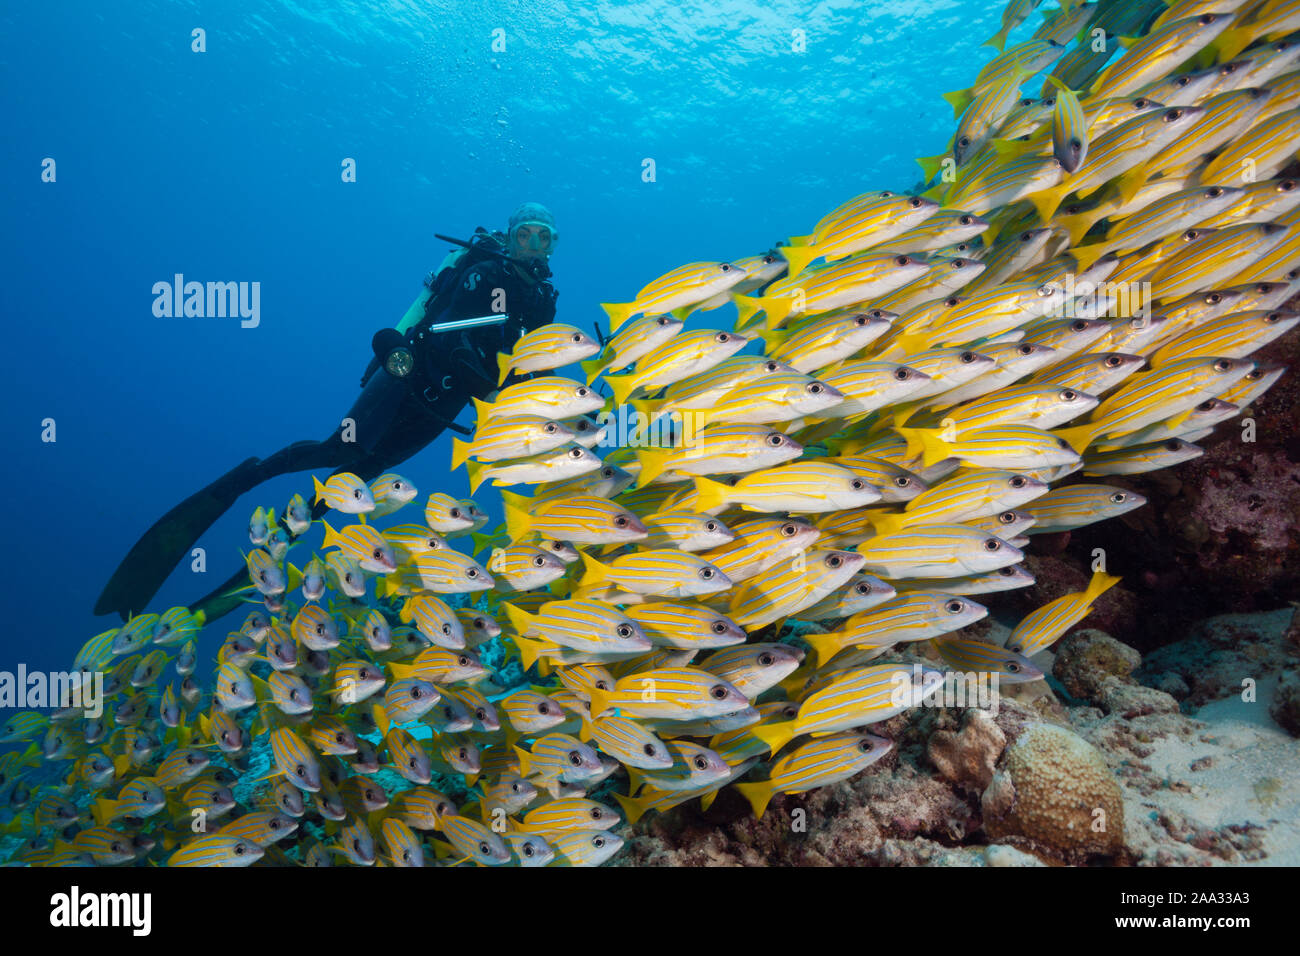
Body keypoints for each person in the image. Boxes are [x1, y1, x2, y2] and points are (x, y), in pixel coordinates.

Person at [95, 203, 560, 622]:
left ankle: (280, 539)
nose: (534, 245)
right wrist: (492, 384)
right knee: (339, 448)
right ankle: (246, 480)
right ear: (511, 236)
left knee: (363, 474)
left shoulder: (543, 299)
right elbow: (453, 334)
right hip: (410, 374)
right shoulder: (483, 272)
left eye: (545, 237)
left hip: (449, 401)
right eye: (526, 234)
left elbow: (532, 364)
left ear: (553, 245)